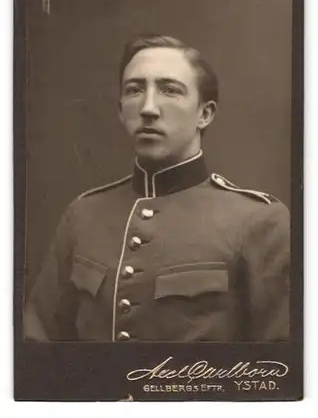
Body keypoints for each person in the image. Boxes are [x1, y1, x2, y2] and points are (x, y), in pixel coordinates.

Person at [24, 34, 290, 342]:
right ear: (121, 110)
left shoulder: (261, 221)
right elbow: (39, 347)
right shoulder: (83, 215)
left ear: (205, 114)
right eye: (135, 90)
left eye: (170, 90)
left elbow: (276, 374)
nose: (148, 107)